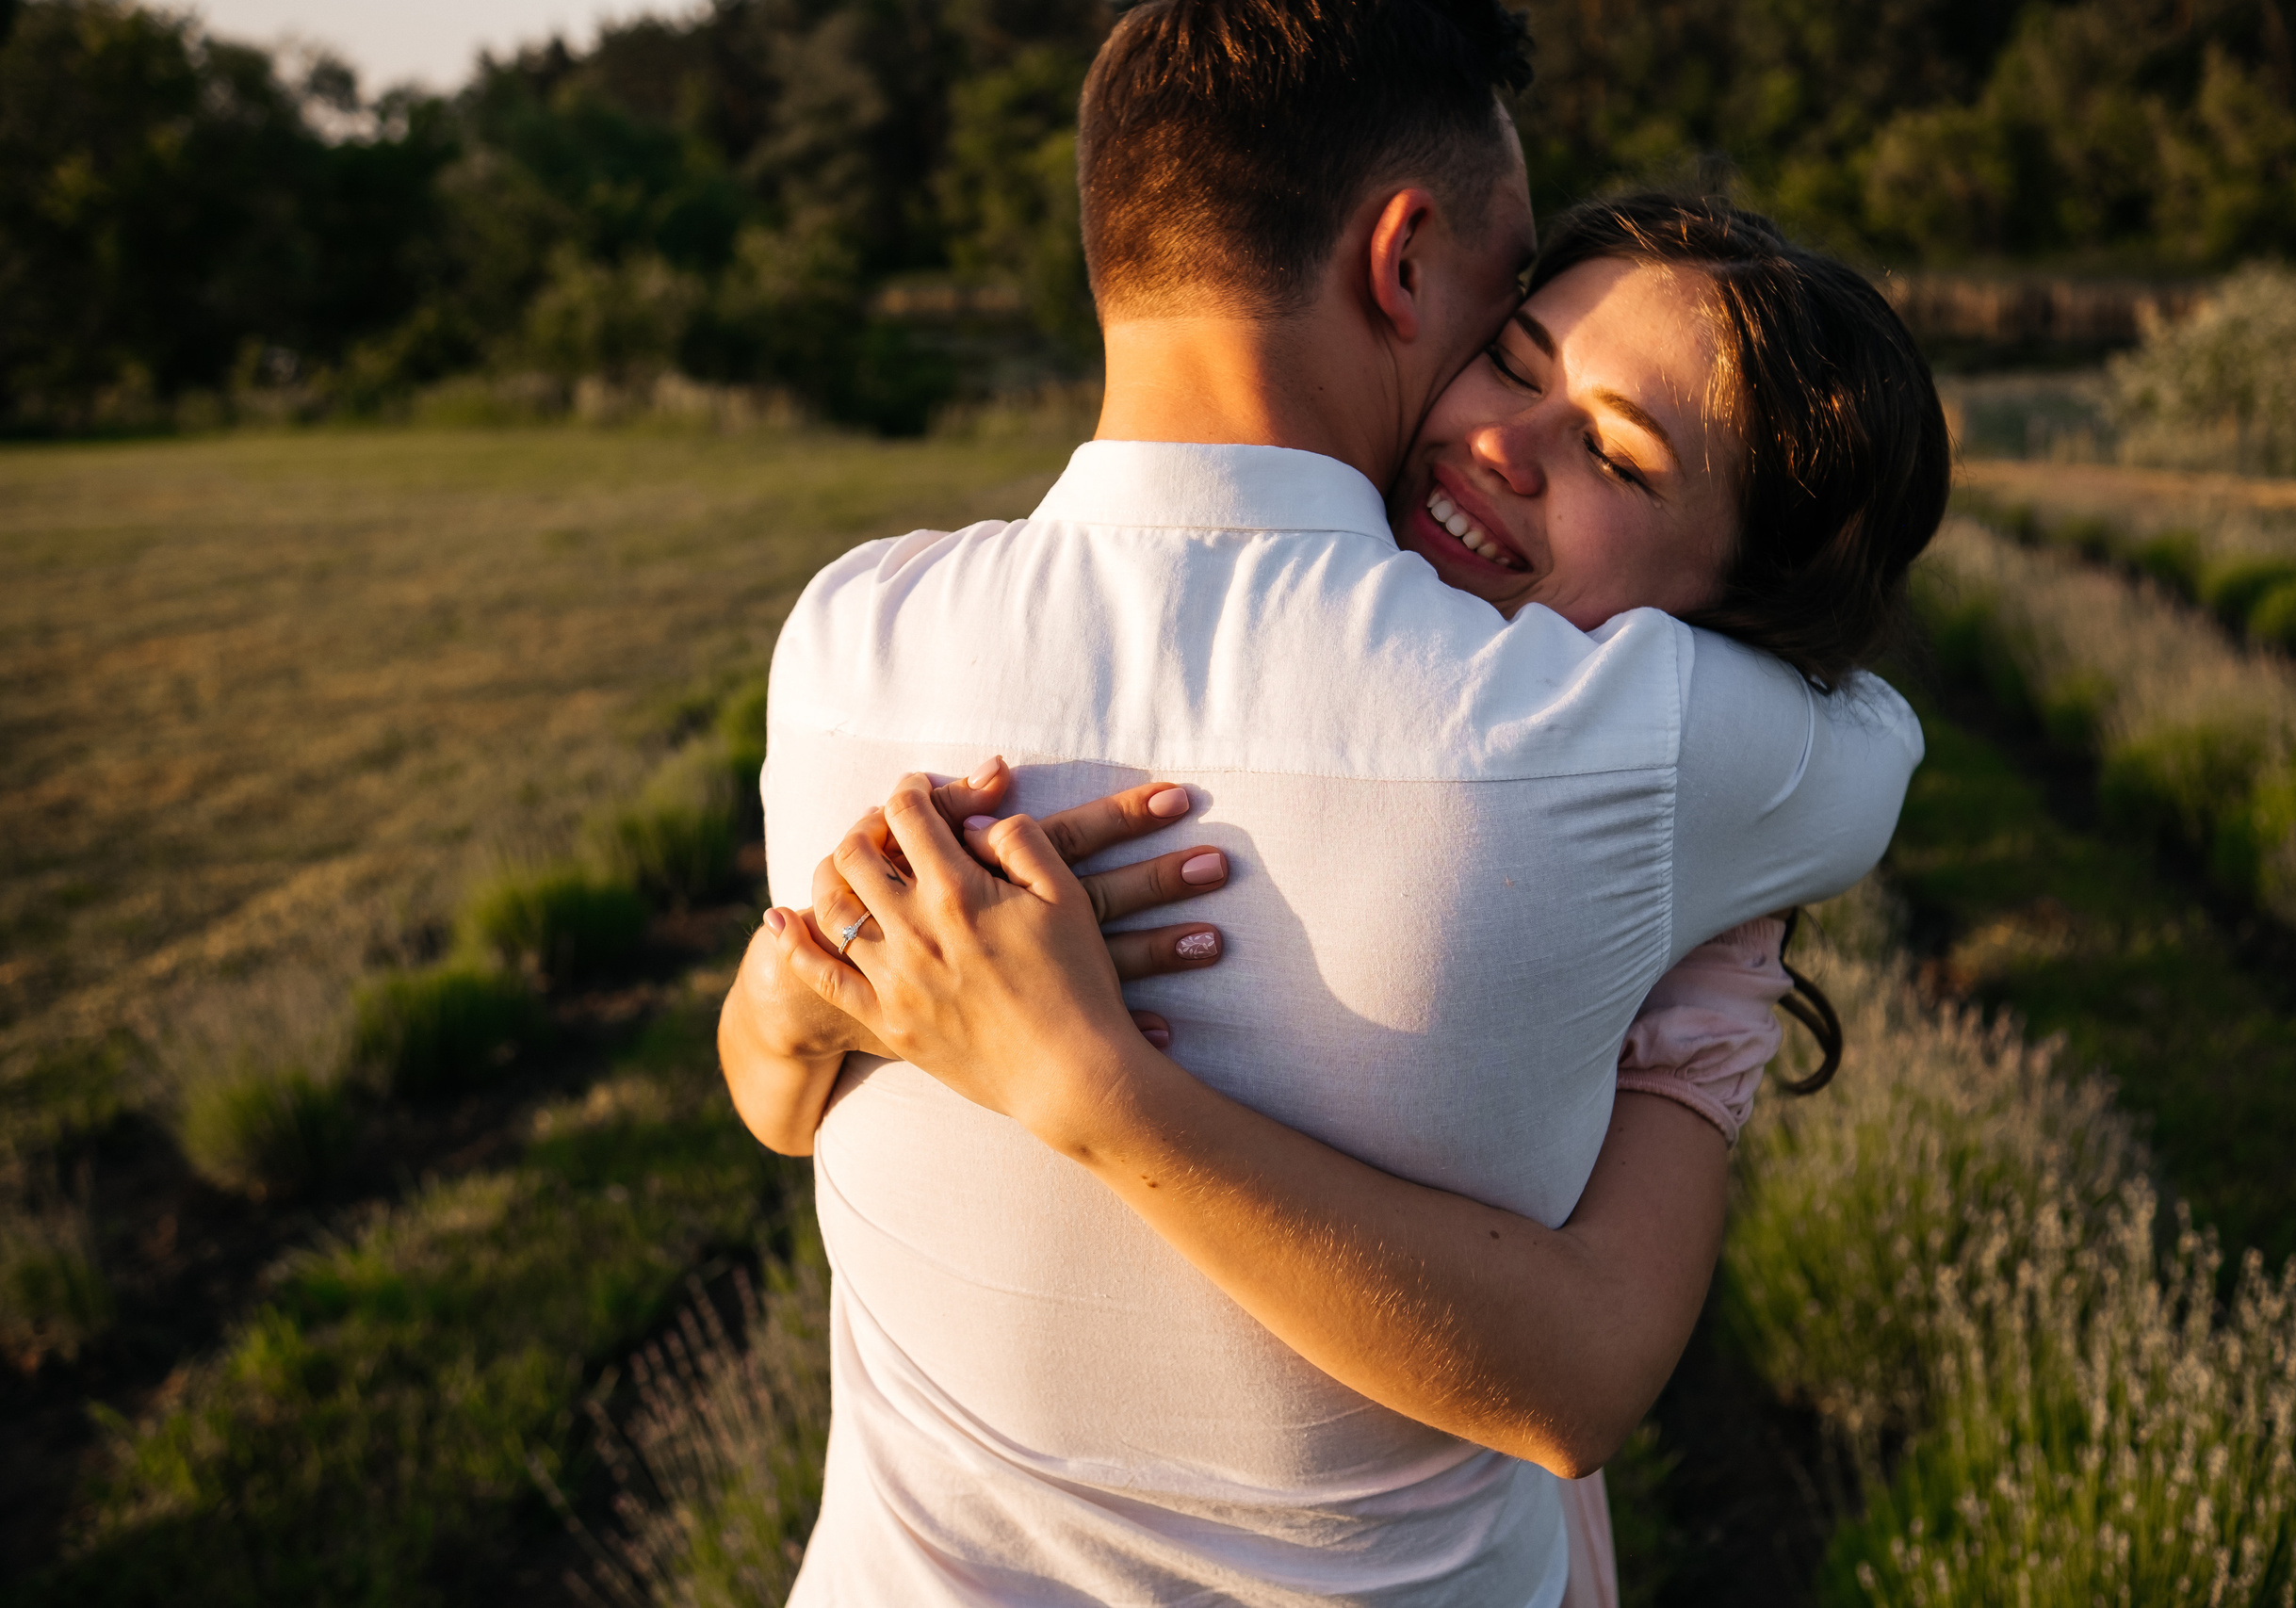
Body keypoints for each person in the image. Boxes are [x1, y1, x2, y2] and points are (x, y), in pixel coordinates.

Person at [719, 6, 1947, 1603]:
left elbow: (777, 1100)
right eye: (1509, 333)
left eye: (1620, 460)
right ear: (1404, 260)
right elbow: (1879, 752)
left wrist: (870, 1010)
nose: (1501, 432)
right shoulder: (1622, 747)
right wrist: (818, 1002)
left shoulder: (842, 645)